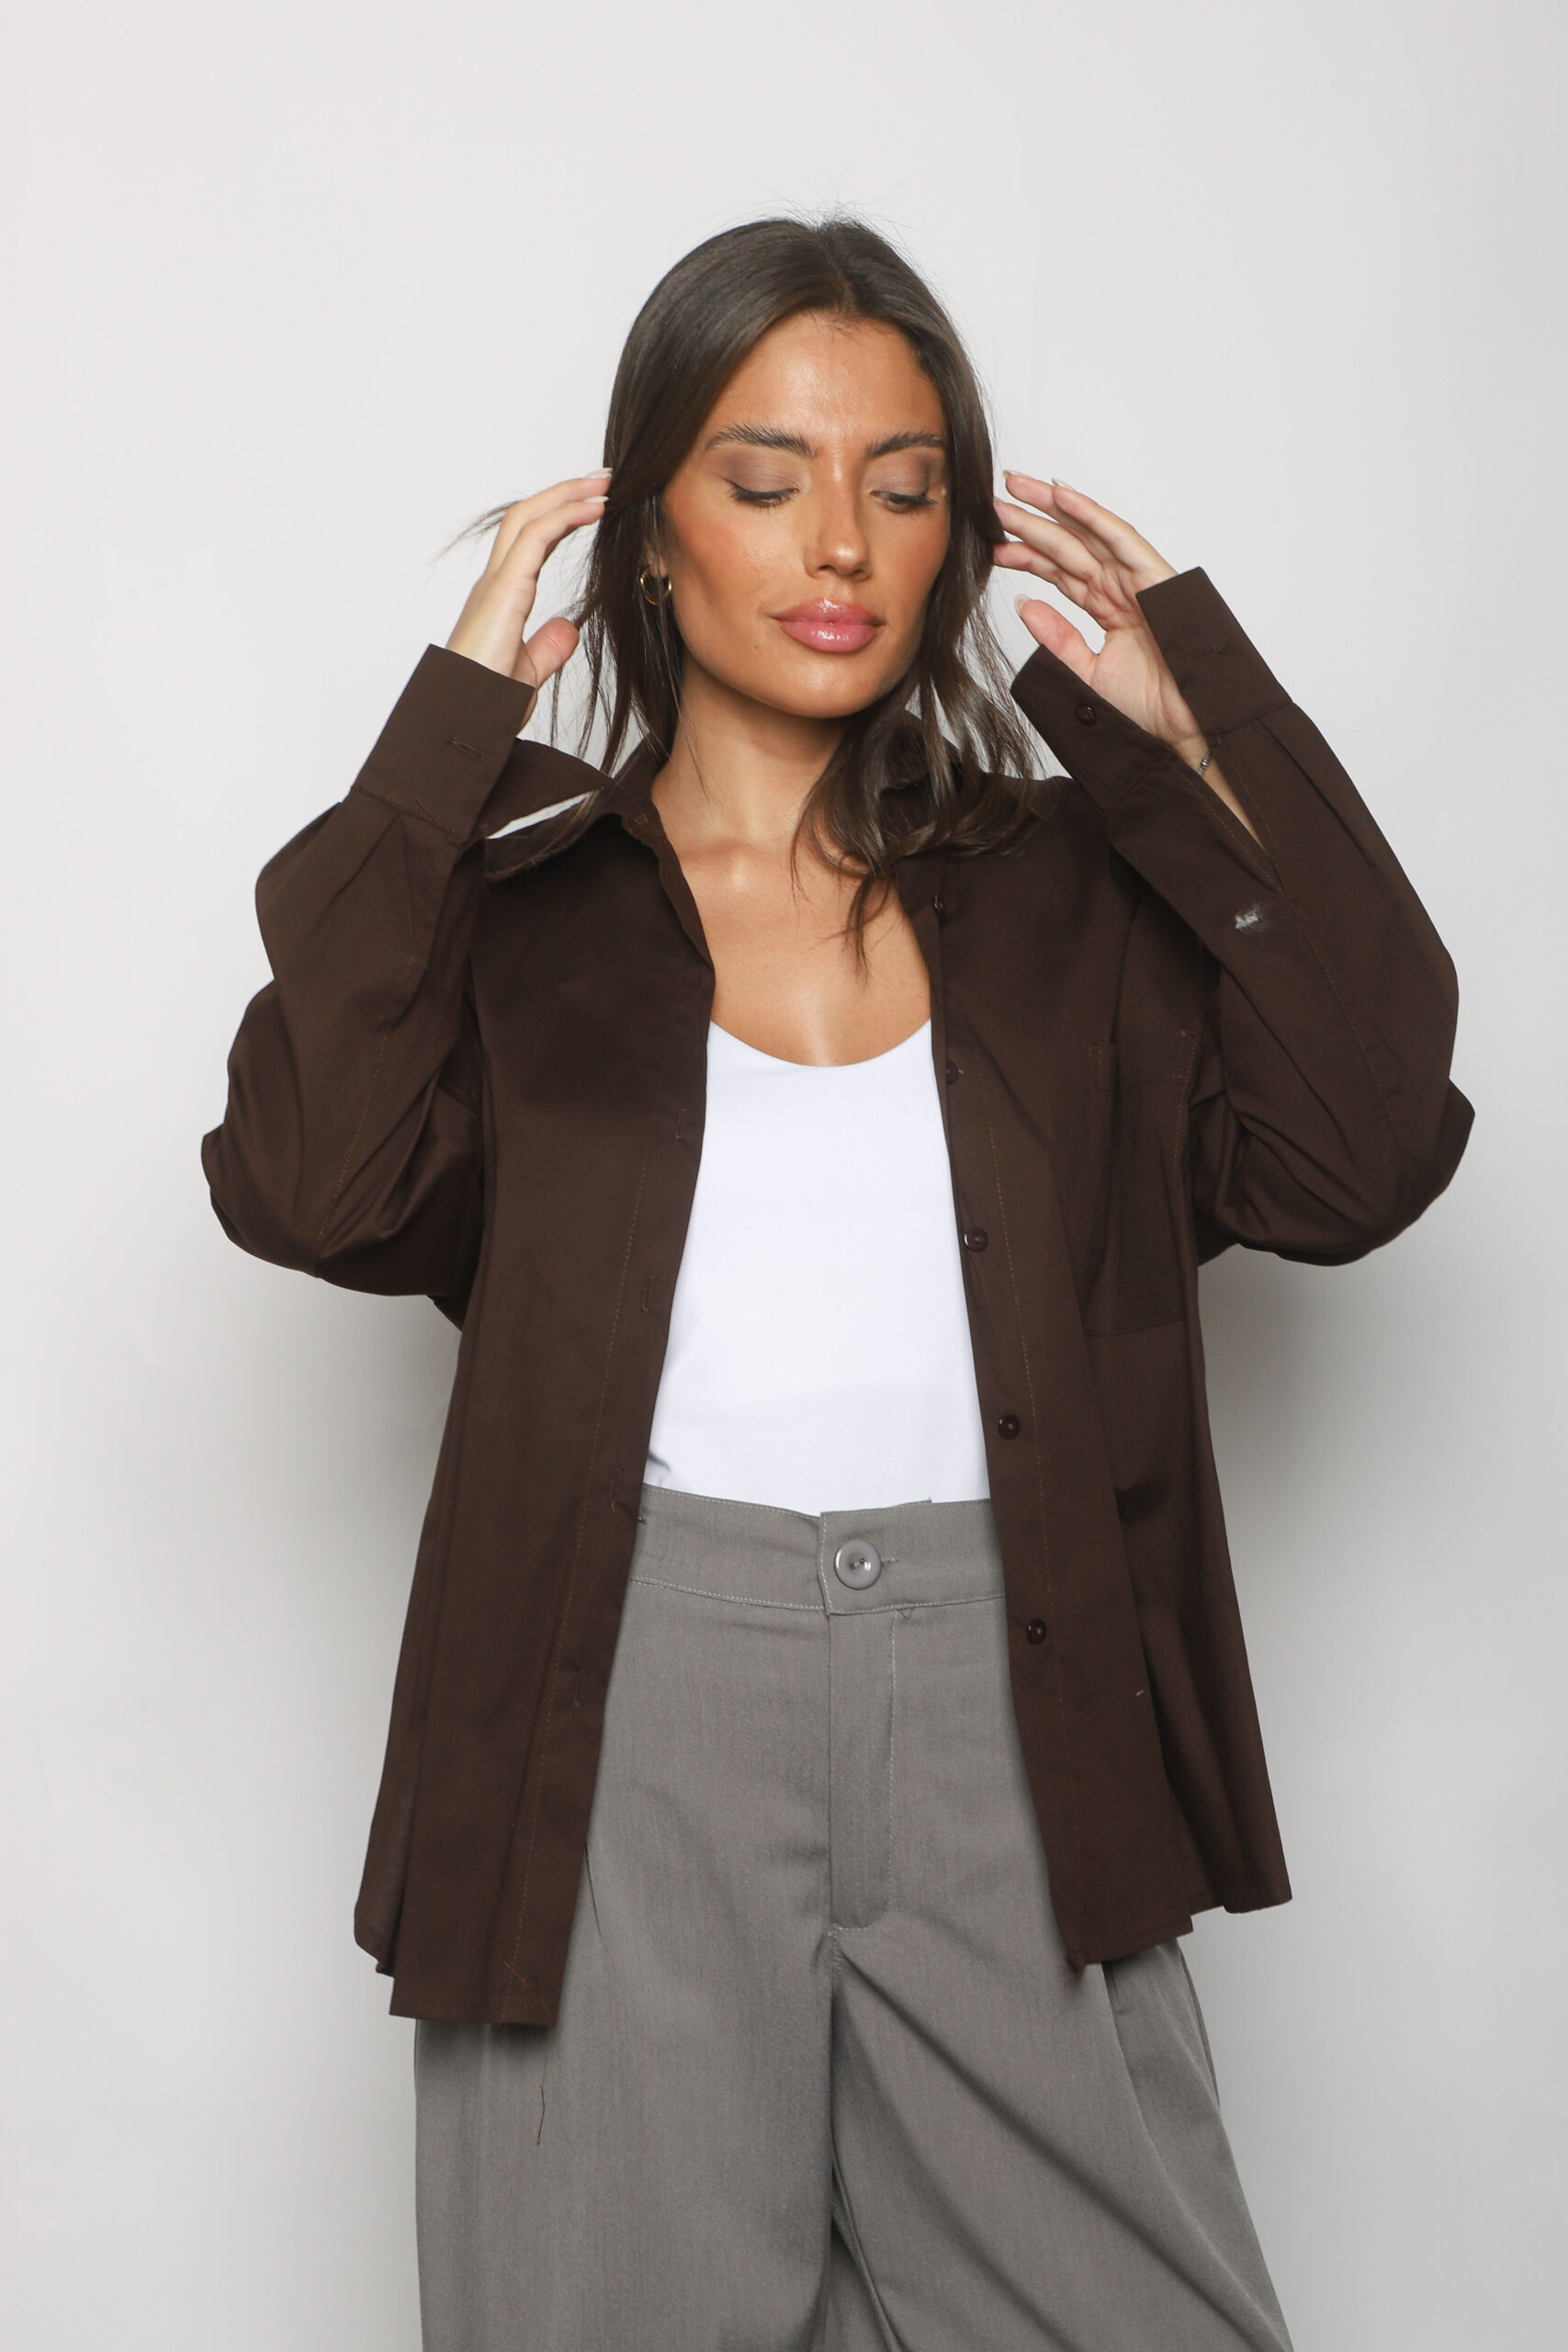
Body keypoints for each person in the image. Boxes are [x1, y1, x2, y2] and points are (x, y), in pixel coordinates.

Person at [201, 215, 1472, 2351]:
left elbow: (1359, 1142)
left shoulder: (1074, 891)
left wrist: (1203, 733)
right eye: (764, 476)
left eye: (902, 484)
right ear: (649, 525)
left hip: (1019, 1684)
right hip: (618, 1703)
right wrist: (447, 733)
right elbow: (312, 1183)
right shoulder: (513, 907)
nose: (839, 545)